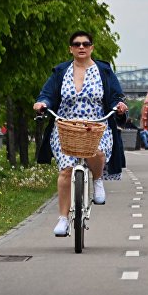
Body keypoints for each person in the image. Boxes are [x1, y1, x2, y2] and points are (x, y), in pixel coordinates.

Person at [34, 31, 128, 236]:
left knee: (97, 152)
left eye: (86, 44)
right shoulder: (61, 71)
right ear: (71, 49)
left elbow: (115, 96)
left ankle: (97, 180)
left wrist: (119, 105)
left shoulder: (103, 70)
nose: (81, 47)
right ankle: (62, 219)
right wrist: (43, 103)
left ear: (92, 47)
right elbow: (48, 94)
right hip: (66, 127)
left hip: (97, 125)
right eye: (76, 44)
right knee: (66, 169)